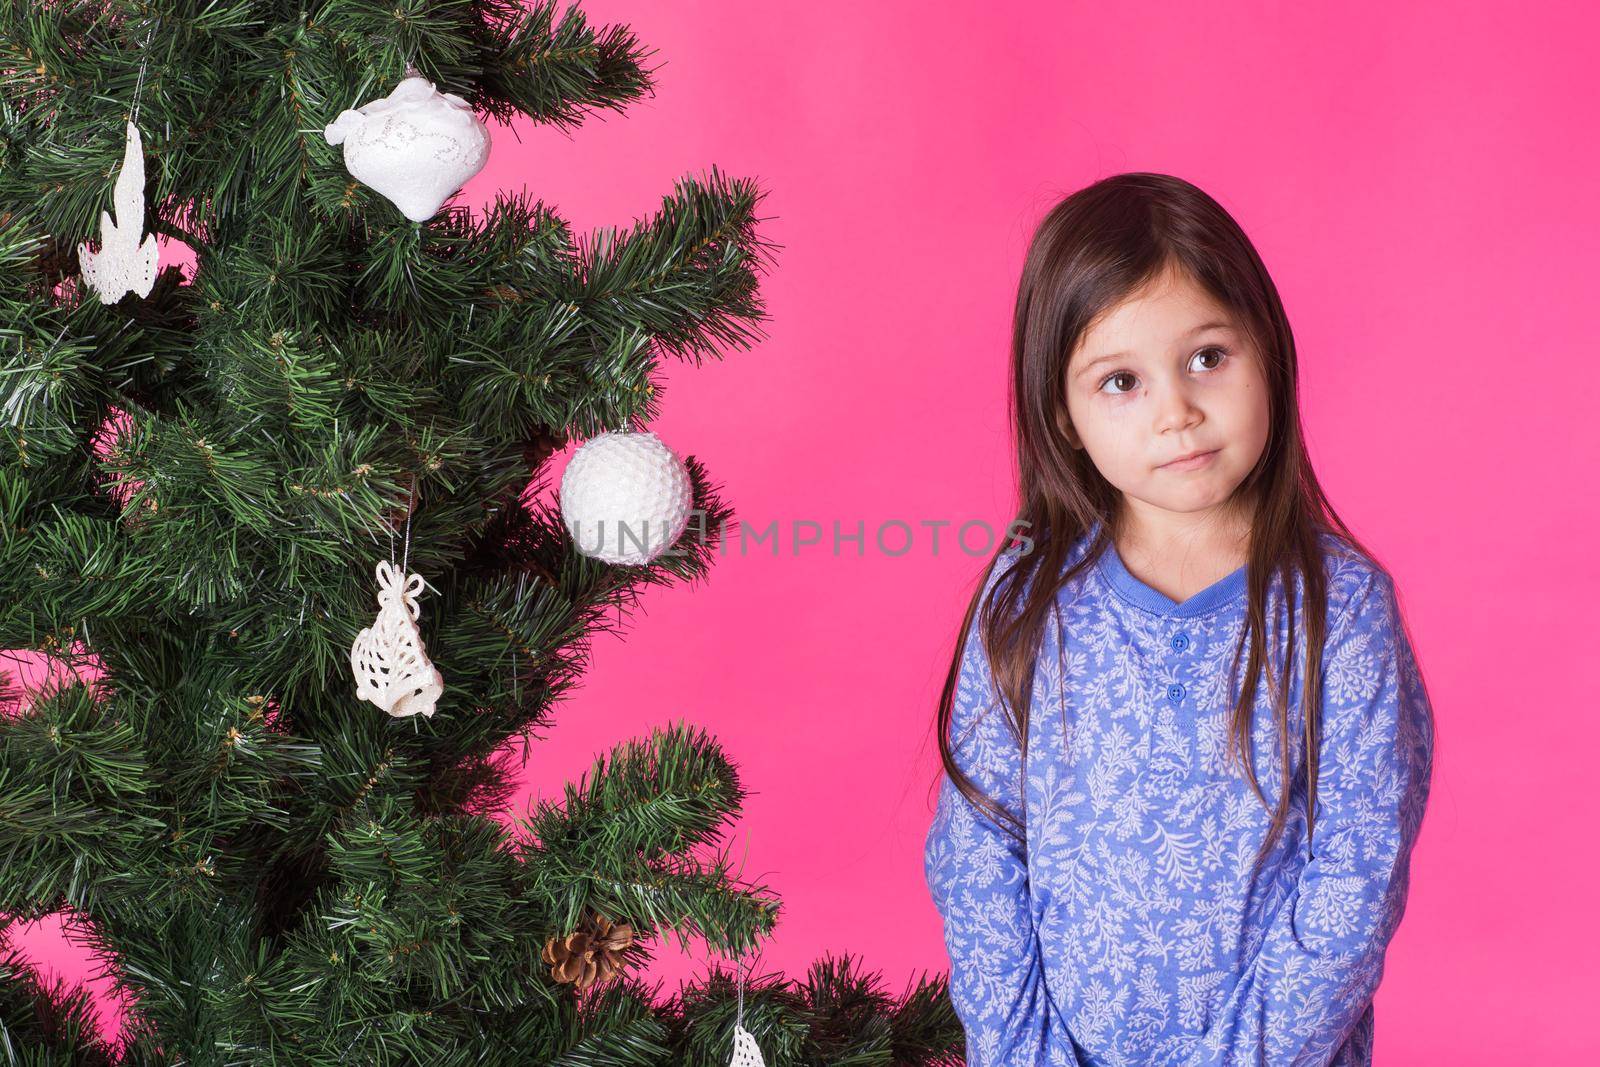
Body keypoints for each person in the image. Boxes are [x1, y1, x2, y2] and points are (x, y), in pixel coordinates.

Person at [922, 173, 1436, 1067]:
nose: (1176, 411)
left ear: (1266, 350)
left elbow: (1357, 875)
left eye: (1207, 357)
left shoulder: (1338, 611)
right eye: (1121, 380)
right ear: (1063, 415)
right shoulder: (1027, 600)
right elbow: (978, 850)